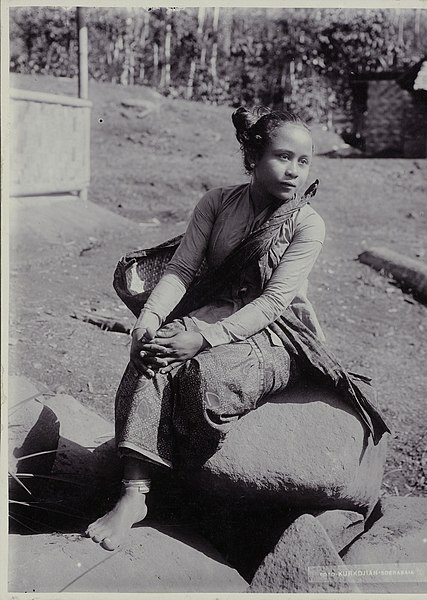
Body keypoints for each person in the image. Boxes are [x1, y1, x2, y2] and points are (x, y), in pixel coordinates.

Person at [86, 106, 389, 551]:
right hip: (214, 311)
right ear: (252, 156)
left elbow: (273, 302)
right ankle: (135, 493)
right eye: (283, 157)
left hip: (278, 334)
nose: (294, 171)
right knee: (154, 354)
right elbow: (184, 268)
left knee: (207, 378)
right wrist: (150, 320)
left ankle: (189, 480)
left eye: (303, 162)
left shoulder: (306, 224)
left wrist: (202, 340)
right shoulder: (216, 204)